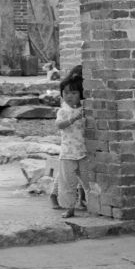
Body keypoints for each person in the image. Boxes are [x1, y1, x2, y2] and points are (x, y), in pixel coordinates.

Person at [53, 78, 86, 217]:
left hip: (84, 152)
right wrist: (73, 119)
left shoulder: (85, 109)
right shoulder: (63, 111)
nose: (69, 96)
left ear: (81, 94)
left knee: (88, 181)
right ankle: (69, 209)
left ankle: (92, 204)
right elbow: (59, 125)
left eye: (73, 93)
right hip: (67, 153)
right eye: (65, 93)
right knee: (68, 183)